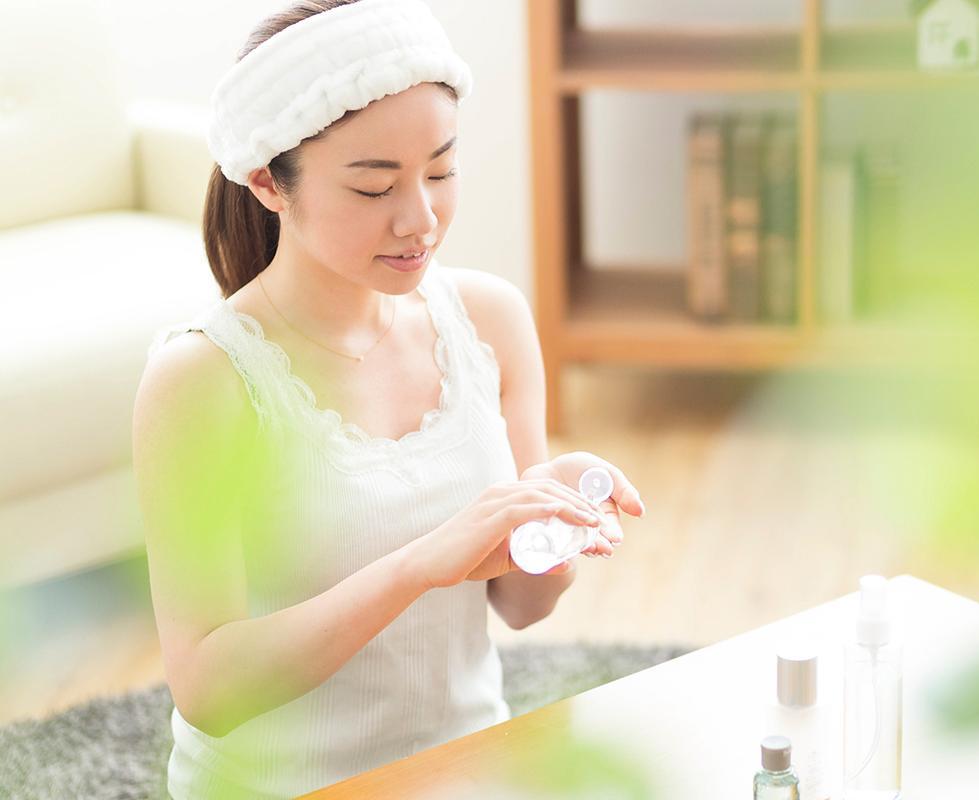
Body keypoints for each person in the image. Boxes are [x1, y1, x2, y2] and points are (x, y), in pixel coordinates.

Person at [130, 1, 645, 797]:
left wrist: (551, 515)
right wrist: (419, 566)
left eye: (440, 170)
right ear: (268, 183)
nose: (421, 219)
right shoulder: (204, 381)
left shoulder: (490, 321)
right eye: (374, 188)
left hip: (462, 769)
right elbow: (208, 686)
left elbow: (524, 606)